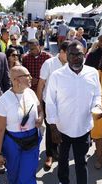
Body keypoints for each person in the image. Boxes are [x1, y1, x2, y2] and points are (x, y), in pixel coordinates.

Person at [45, 40, 102, 184]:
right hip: (62, 127)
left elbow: (97, 94)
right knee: (62, 158)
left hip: (84, 127)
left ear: (84, 53)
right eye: (72, 54)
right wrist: (53, 127)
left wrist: (97, 107)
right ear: (66, 56)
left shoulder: (92, 73)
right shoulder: (57, 75)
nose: (76, 58)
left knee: (81, 162)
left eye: (79, 54)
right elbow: (50, 101)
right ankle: (63, 182)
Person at [0, 65, 43, 184]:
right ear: (16, 80)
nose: (30, 77)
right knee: (13, 172)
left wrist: (40, 118)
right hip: (12, 142)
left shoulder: (31, 93)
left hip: (31, 140)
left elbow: (39, 110)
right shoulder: (3, 101)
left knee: (27, 177)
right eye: (26, 75)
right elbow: (0, 129)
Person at [37, 40, 69, 171]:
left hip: (66, 103)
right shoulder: (49, 63)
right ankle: (49, 155)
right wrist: (39, 105)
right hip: (49, 102)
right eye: (69, 53)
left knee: (62, 128)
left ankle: (59, 153)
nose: (72, 56)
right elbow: (41, 84)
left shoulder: (73, 65)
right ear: (61, 52)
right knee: (51, 128)